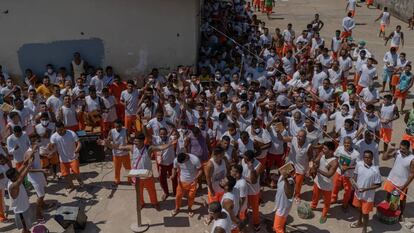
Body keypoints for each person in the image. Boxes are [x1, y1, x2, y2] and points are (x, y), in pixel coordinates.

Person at [115, 133, 161, 210]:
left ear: (142, 141)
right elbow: (119, 147)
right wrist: (108, 145)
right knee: (139, 192)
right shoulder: (132, 148)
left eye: (137, 141)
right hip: (137, 174)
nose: (135, 143)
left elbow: (161, 147)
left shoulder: (149, 149)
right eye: (134, 141)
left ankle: (154, 203)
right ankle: (141, 203)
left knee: (151, 190)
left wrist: (170, 144)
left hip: (147, 174)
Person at [350, 150, 381, 233]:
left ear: (372, 158)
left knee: (365, 213)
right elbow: (355, 175)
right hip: (358, 194)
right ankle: (359, 222)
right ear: (363, 157)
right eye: (365, 157)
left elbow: (378, 184)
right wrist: (353, 182)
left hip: (368, 197)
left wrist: (365, 189)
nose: (367, 159)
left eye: (369, 157)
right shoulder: (359, 164)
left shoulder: (375, 170)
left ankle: (364, 230)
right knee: (359, 209)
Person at [382, 140, 414, 221]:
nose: (401, 150)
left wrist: (403, 186)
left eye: (403, 149)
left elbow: (412, 174)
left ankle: (401, 214)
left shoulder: (412, 159)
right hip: (391, 179)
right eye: (400, 148)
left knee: (402, 200)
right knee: (388, 195)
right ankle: (388, 209)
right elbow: (384, 158)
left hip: (402, 183)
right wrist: (389, 150)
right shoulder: (397, 153)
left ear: (408, 149)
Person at [48, 121, 83, 192]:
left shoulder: (71, 133)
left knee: (76, 173)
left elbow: (79, 143)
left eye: (61, 130)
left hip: (73, 157)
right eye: (58, 131)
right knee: (66, 175)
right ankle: (72, 185)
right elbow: (52, 147)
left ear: (64, 128)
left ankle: (81, 182)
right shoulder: (54, 136)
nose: (60, 132)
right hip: (63, 159)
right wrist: (50, 149)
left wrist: (77, 150)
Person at [310, 141, 339, 224]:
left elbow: (329, 175)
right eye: (323, 148)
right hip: (318, 181)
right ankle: (313, 206)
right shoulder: (322, 154)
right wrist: (314, 163)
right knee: (315, 195)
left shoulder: (334, 162)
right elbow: (316, 160)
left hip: (327, 185)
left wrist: (317, 169)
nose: (323, 149)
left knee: (326, 202)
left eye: (325, 148)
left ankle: (324, 214)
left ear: (331, 151)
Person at [6, 154, 35, 233]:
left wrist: (27, 159)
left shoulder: (13, 178)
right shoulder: (13, 186)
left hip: (25, 207)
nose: (18, 174)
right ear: (13, 177)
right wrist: (29, 165)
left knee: (27, 228)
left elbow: (21, 168)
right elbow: (22, 176)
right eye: (16, 174)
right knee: (25, 229)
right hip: (21, 211)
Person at [331, 137, 360, 211]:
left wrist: (348, 167)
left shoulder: (356, 154)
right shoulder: (340, 149)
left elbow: (358, 165)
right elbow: (336, 157)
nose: (347, 145)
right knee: (335, 186)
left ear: (351, 144)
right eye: (345, 143)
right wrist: (340, 166)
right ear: (343, 143)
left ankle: (345, 203)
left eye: (349, 143)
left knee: (347, 191)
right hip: (338, 172)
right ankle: (333, 199)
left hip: (349, 175)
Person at [171, 152, 203, 217]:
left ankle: (190, 208)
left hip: (192, 182)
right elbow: (174, 168)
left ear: (186, 157)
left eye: (183, 162)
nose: (182, 164)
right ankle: (177, 208)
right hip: (181, 182)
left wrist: (195, 178)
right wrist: (173, 175)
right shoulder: (176, 160)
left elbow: (200, 170)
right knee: (178, 196)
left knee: (191, 197)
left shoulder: (195, 159)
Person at [241, 150, 264, 231]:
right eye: (243, 158)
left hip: (253, 191)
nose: (244, 160)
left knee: (255, 209)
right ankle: (243, 219)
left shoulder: (258, 165)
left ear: (251, 159)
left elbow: (253, 181)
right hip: (244, 189)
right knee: (243, 206)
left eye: (246, 159)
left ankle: (256, 223)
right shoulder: (242, 161)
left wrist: (251, 169)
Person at [273, 164, 295, 233]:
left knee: (277, 228)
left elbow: (289, 192)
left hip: (283, 208)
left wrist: (285, 178)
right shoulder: (281, 177)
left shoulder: (291, 181)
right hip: (280, 206)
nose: (283, 169)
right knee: (279, 225)